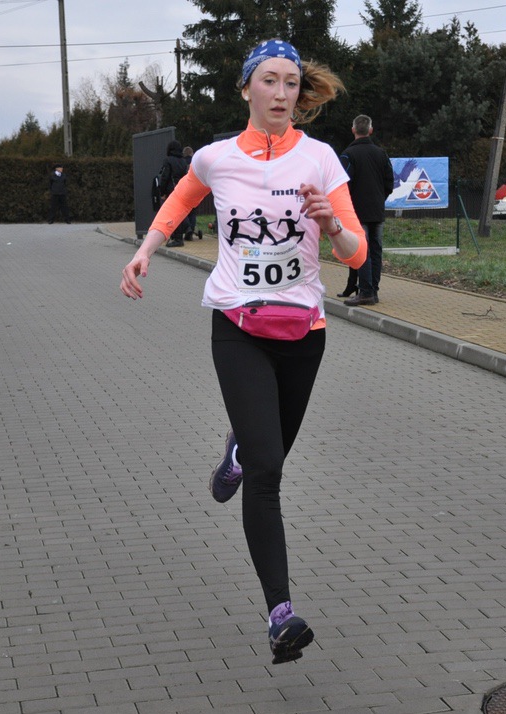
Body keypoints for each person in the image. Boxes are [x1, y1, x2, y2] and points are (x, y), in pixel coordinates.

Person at [120, 38, 366, 665]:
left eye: (291, 83)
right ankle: (280, 614)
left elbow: (356, 252)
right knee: (268, 470)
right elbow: (181, 198)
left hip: (304, 333)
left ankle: (235, 449)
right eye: (270, 81)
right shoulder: (216, 157)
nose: (282, 93)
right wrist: (146, 249)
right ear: (246, 89)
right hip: (237, 324)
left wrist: (331, 223)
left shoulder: (321, 159)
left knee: (264, 453)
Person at [339, 114, 393, 306]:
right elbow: (389, 182)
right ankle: (372, 290)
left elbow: (343, 184)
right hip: (377, 211)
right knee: (375, 251)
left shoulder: (348, 155)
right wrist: (379, 199)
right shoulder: (381, 154)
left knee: (361, 251)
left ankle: (366, 292)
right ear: (370, 130)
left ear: (353, 130)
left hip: (357, 212)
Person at [155, 140, 188, 247]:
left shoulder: (168, 160)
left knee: (172, 214)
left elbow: (165, 176)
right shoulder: (183, 161)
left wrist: (162, 191)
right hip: (182, 189)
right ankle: (185, 230)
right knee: (181, 212)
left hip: (171, 190)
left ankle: (178, 238)